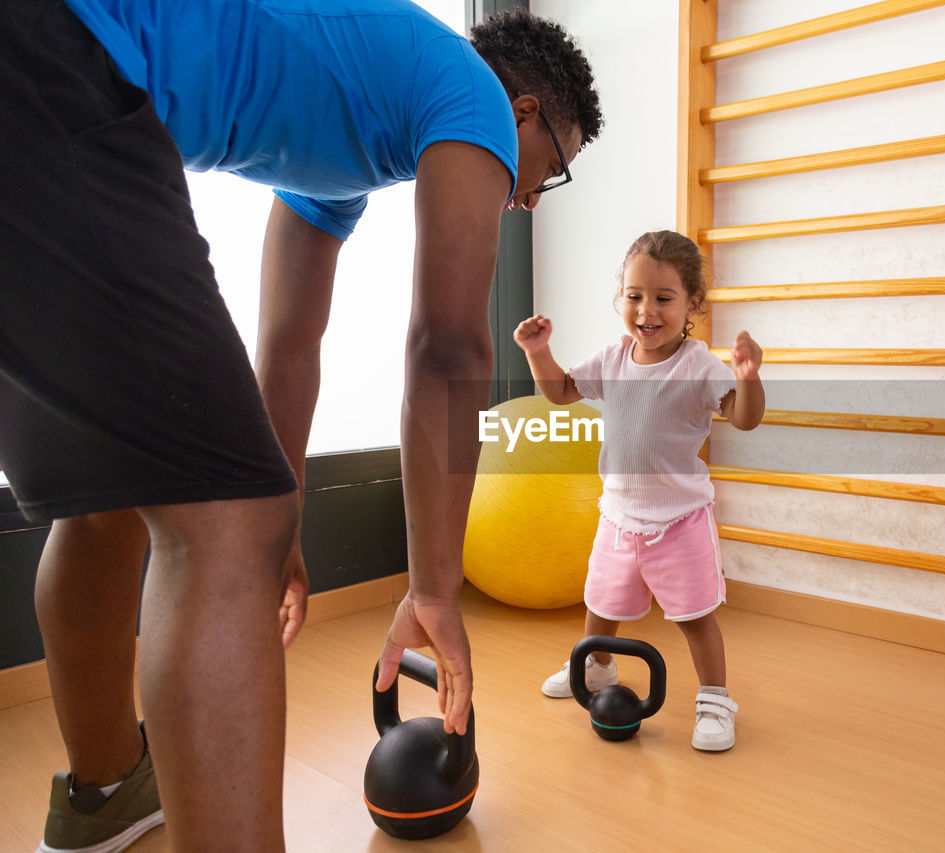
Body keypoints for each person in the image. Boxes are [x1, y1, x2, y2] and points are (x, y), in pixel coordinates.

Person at [0, 0, 601, 849]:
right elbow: (445, 347)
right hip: (58, 55)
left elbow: (289, 341)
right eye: (551, 169)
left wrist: (278, 527)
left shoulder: (342, 139)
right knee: (218, 515)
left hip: (38, 78)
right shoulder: (473, 93)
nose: (531, 196)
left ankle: (102, 798)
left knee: (111, 493)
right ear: (525, 114)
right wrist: (433, 589)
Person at [513, 230, 765, 751]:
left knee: (695, 618)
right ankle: (597, 666)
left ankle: (715, 701)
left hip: (680, 521)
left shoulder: (697, 366)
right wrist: (539, 352)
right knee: (600, 604)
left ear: (692, 302)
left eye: (663, 298)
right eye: (634, 296)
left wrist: (748, 379)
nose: (646, 310)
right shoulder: (613, 358)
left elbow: (744, 419)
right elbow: (561, 393)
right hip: (618, 515)